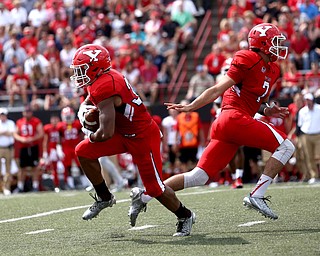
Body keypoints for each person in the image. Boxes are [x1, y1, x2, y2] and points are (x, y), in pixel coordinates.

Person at [129, 23, 295, 224]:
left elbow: (254, 101)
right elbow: (217, 89)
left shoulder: (273, 69)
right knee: (286, 146)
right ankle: (257, 195)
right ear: (263, 43)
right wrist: (192, 105)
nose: (279, 46)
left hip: (230, 123)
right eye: (275, 42)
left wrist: (268, 110)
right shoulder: (248, 58)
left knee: (197, 177)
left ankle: (144, 196)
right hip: (232, 117)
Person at [70, 44, 195, 237]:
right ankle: (104, 197)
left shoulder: (106, 86)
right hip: (124, 133)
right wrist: (84, 108)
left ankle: (185, 216)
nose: (79, 75)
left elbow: (106, 133)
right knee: (82, 151)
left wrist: (89, 131)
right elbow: (92, 97)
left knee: (155, 188)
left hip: (142, 136)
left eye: (83, 69)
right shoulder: (102, 78)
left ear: (96, 68)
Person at [13, 105, 44, 192]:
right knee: (22, 168)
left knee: (35, 167)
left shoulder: (36, 121)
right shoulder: (20, 122)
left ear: (31, 112)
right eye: (26, 112)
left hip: (33, 146)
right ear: (23, 112)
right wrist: (22, 139)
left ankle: (35, 186)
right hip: (23, 147)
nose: (27, 113)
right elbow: (15, 134)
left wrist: (32, 139)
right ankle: (20, 186)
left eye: (29, 112)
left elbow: (41, 133)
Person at [297, 93, 320, 184]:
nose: (308, 102)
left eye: (309, 100)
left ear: (312, 100)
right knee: (309, 157)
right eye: (306, 100)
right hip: (306, 135)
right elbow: (300, 125)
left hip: (318, 135)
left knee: (318, 157)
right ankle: (314, 176)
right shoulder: (302, 111)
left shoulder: (319, 108)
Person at [0, 108, 15, 195]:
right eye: (1, 115)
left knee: (8, 169)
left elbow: (12, 133)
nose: (2, 116)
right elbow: (7, 133)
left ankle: (6, 187)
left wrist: (2, 133)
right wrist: (5, 132)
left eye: (4, 115)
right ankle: (1, 187)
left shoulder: (10, 123)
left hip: (8, 148)